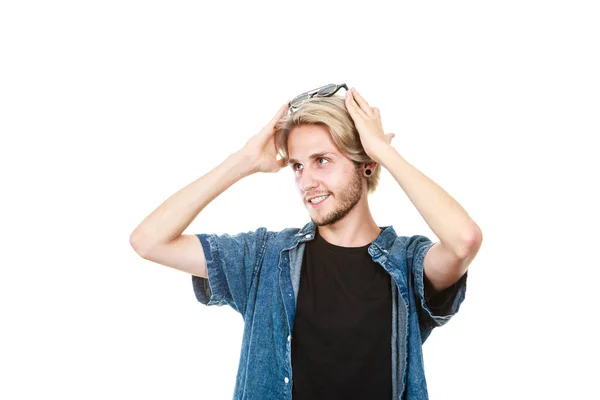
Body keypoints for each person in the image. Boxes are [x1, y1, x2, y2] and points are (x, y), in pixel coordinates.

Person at [130, 83, 483, 400]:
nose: (306, 181)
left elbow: (464, 240)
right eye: (298, 166)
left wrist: (382, 151)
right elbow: (149, 240)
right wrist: (243, 161)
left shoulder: (407, 264)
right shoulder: (264, 258)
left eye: (322, 161)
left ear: (366, 165)